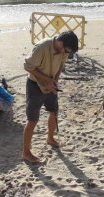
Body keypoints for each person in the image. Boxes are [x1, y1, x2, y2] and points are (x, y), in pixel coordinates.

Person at [23, 31, 79, 163]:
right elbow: (28, 66)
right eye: (66, 49)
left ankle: (50, 138)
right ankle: (26, 152)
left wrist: (54, 81)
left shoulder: (64, 51)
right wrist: (47, 80)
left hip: (51, 84)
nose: (66, 53)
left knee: (54, 112)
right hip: (34, 85)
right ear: (60, 42)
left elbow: (60, 66)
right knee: (32, 120)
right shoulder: (42, 47)